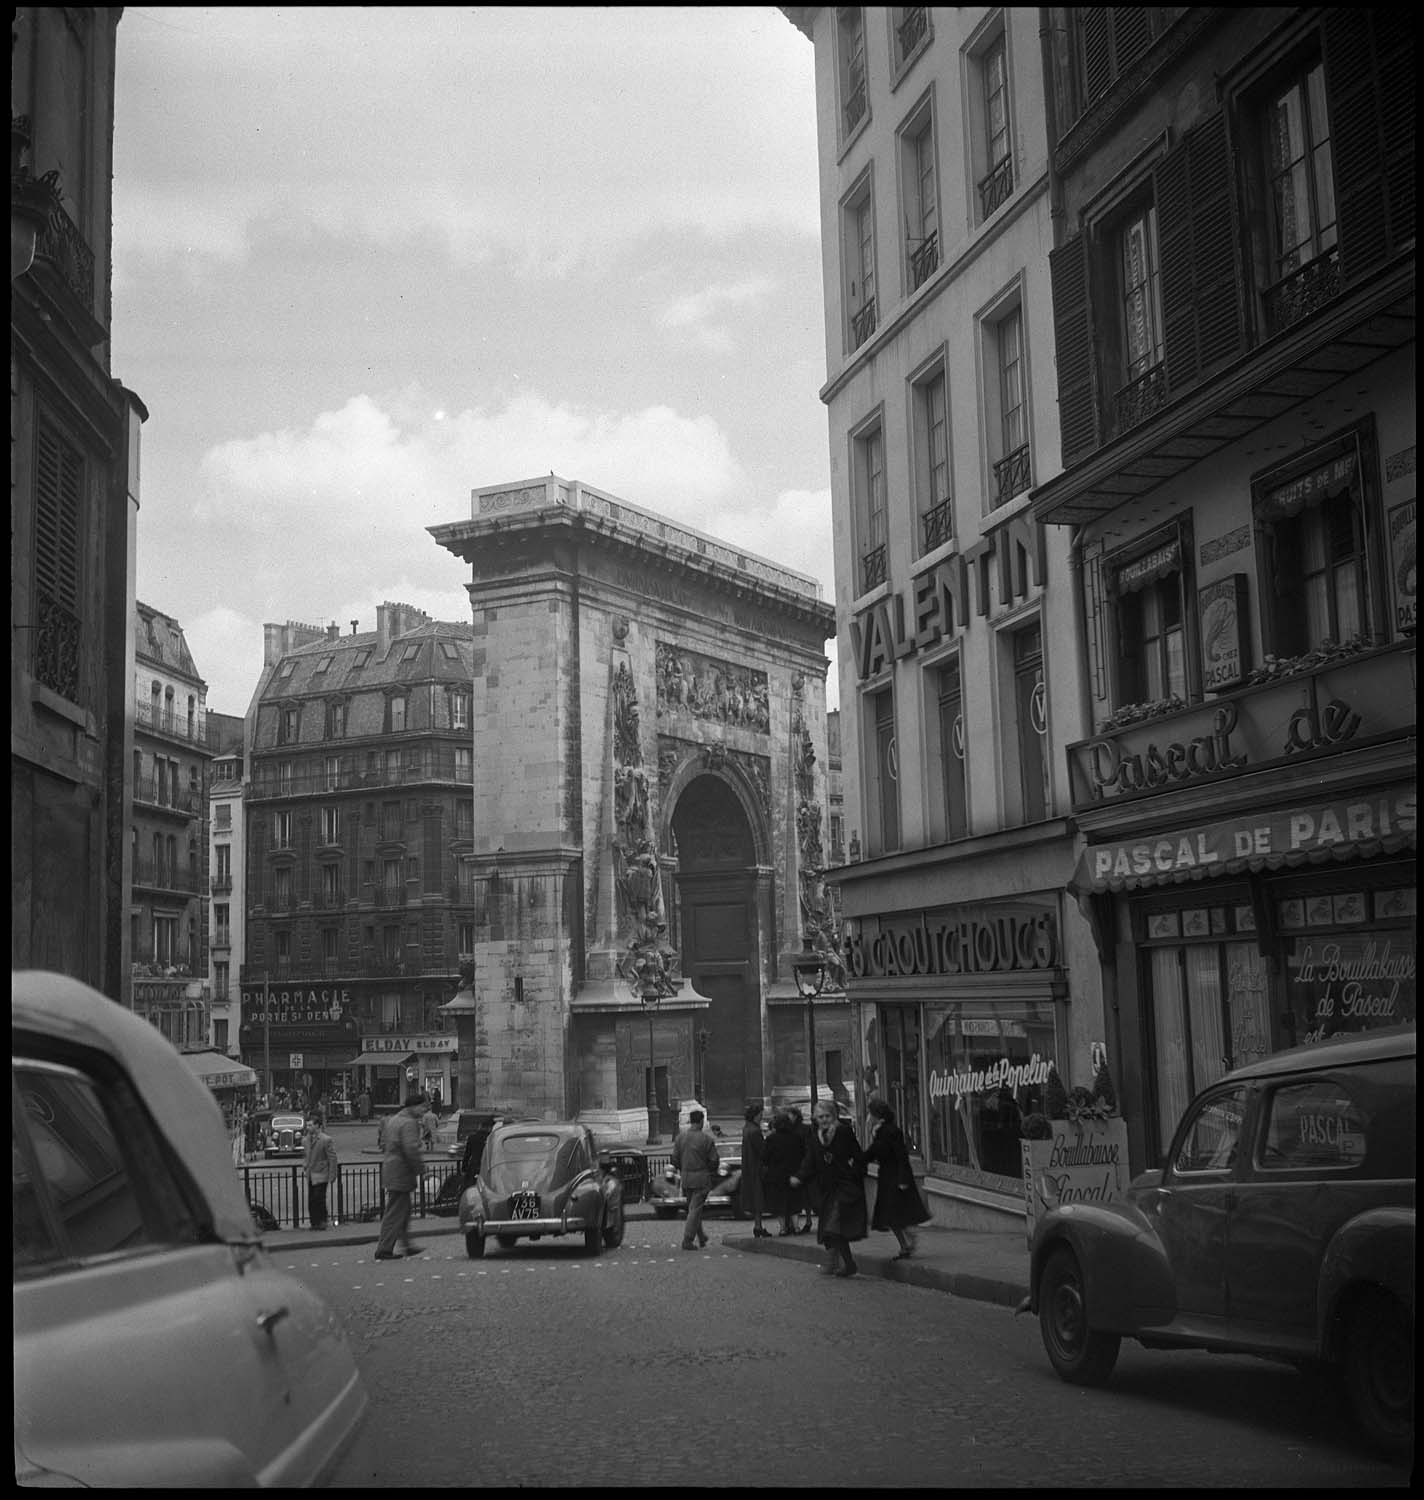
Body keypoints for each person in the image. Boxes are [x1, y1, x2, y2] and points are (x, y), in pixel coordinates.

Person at [790, 1099, 868, 1277]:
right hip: (827, 1188)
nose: (824, 1120)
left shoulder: (843, 1132)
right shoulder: (814, 1137)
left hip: (845, 1186)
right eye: (820, 1117)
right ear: (815, 1119)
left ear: (833, 1116)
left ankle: (831, 1261)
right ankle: (848, 1264)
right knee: (834, 1230)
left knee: (832, 1226)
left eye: (827, 1116)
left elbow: (858, 1155)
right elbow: (810, 1160)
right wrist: (799, 1176)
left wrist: (855, 1173)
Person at [864, 1097, 931, 1258]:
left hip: (895, 1177)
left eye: (870, 1114)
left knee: (895, 1214)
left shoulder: (891, 1131)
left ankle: (908, 1239)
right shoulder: (879, 1131)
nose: (868, 1118)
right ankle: (904, 1244)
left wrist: (902, 1179)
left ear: (876, 1115)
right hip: (886, 1176)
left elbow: (901, 1156)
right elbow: (873, 1152)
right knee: (889, 1216)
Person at [375, 1091, 428, 1261]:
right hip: (401, 1172)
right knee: (395, 1212)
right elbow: (411, 1148)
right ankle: (384, 1248)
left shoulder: (394, 1119)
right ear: (414, 1106)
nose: (424, 1112)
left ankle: (407, 1245)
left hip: (391, 1169)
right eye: (423, 1107)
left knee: (403, 1211)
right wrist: (421, 1168)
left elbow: (384, 1143)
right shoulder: (409, 1123)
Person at [670, 1107, 719, 1252]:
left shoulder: (680, 1138)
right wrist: (711, 1171)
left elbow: (675, 1159)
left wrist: (683, 1168)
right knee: (695, 1210)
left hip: (686, 1177)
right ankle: (688, 1239)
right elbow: (714, 1160)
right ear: (701, 1121)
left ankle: (702, 1236)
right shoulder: (706, 1139)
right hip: (701, 1177)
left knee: (693, 1208)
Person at [761, 1109, 804, 1236]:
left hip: (776, 1174)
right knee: (794, 1200)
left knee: (779, 1202)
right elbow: (802, 1154)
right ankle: (796, 1226)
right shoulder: (796, 1137)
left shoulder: (771, 1139)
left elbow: (765, 1157)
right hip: (793, 1173)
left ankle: (783, 1228)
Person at [303, 1112, 340, 1230]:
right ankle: (314, 1222)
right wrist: (305, 1165)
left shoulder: (326, 1139)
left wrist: (332, 1175)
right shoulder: (306, 1140)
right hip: (311, 1174)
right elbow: (306, 1156)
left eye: (310, 1125)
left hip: (321, 1173)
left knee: (319, 1198)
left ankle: (322, 1221)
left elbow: (332, 1158)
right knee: (312, 1199)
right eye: (307, 1125)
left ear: (317, 1126)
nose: (308, 1128)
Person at [739, 1102, 769, 1237]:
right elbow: (762, 1151)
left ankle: (758, 1226)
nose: (761, 1117)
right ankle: (758, 1226)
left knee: (755, 1197)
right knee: (758, 1198)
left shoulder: (747, 1129)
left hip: (748, 1167)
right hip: (756, 1168)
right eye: (760, 1115)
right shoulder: (755, 1131)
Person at [788, 1105, 816, 1233]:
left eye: (791, 1115)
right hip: (796, 1165)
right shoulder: (790, 1129)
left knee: (807, 1195)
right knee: (799, 1195)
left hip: (803, 1164)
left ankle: (808, 1220)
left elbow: (809, 1146)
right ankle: (798, 1222)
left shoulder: (804, 1129)